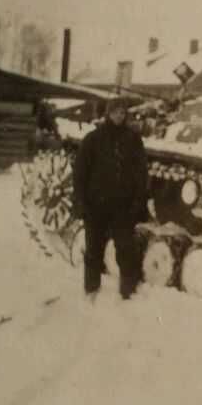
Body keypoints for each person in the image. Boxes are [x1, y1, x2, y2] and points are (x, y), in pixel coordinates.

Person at [71, 99, 149, 300]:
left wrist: (138, 202)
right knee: (94, 249)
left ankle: (128, 290)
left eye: (122, 113)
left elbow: (141, 174)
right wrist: (80, 202)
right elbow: (80, 173)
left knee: (125, 248)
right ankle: (91, 289)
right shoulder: (93, 139)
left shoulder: (133, 140)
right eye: (115, 113)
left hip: (122, 207)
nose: (119, 116)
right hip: (96, 205)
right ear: (107, 114)